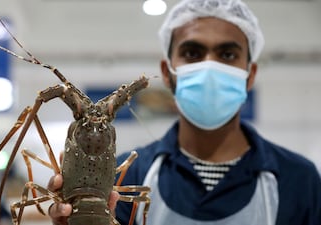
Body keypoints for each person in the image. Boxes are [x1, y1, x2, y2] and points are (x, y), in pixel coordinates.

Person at [47, 0, 321, 224]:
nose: (209, 67)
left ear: (250, 75)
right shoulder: (125, 177)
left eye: (227, 55)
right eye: (192, 53)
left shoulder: (301, 179)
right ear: (167, 73)